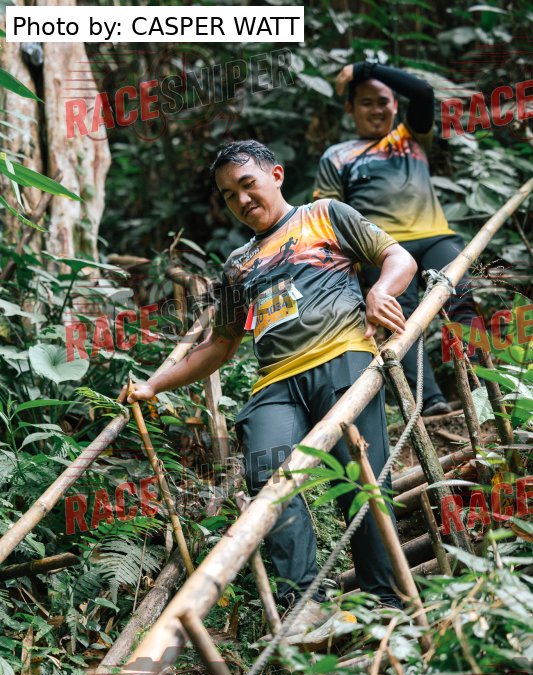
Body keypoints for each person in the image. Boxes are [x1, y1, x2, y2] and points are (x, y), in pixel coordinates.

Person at [128, 140, 417, 632]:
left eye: (248, 185)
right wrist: (153, 385)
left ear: (276, 175)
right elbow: (220, 345)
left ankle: (385, 600)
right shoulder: (238, 264)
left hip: (343, 357)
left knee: (360, 475)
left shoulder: (326, 214)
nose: (241, 200)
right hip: (275, 382)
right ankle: (303, 604)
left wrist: (379, 291)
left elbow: (399, 258)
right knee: (267, 475)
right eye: (228, 195)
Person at [313, 61, 480, 416]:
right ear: (350, 108)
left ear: (395, 105)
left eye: (383, 101)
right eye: (366, 102)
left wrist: (364, 68)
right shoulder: (337, 155)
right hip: (382, 250)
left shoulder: (411, 135)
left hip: (434, 237)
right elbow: (327, 215)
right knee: (397, 319)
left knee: (461, 302)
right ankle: (430, 401)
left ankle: (482, 389)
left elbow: (422, 91)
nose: (376, 110)